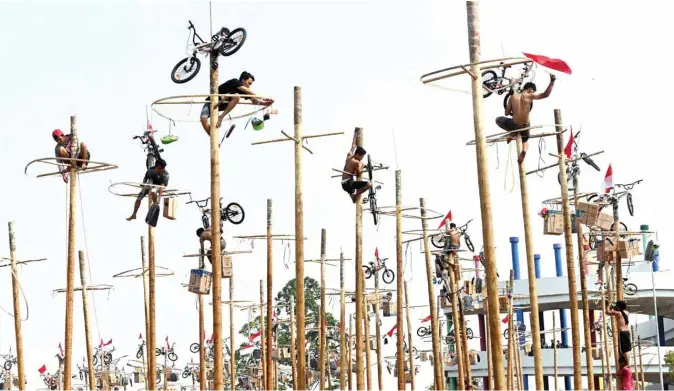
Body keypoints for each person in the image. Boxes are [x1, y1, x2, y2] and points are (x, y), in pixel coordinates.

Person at [495, 73, 556, 164]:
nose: (533, 93)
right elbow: (545, 94)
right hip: (525, 125)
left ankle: (513, 132)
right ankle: (524, 151)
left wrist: (513, 108)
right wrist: (552, 82)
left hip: (514, 124)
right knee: (525, 139)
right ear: (530, 90)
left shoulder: (512, 97)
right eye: (533, 91)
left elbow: (506, 113)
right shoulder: (530, 96)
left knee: (498, 119)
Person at [200, 71, 274, 136]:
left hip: (222, 105)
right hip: (211, 102)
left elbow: (255, 101)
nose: (249, 86)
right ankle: (212, 136)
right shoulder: (235, 82)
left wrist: (265, 103)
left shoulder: (243, 92)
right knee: (203, 118)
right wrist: (263, 97)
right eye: (249, 83)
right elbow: (249, 91)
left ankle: (221, 117)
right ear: (243, 80)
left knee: (237, 97)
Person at [341, 132, 372, 203]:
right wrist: (363, 166)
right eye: (362, 156)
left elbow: (353, 146)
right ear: (358, 154)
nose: (361, 158)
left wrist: (355, 135)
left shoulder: (349, 155)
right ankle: (355, 195)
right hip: (349, 183)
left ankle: (352, 195)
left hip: (343, 184)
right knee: (369, 184)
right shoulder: (356, 162)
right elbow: (358, 174)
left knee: (353, 186)